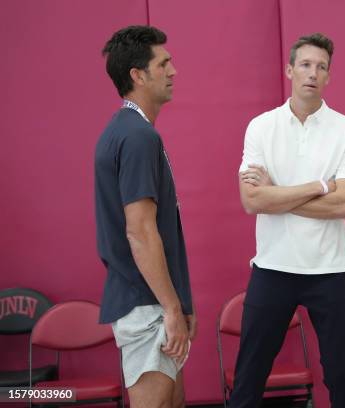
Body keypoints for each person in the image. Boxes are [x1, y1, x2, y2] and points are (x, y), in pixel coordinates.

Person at [233, 33, 345, 408]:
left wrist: (278, 194)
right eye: (305, 65)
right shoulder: (261, 127)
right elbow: (251, 199)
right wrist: (320, 185)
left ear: (329, 77)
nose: (313, 73)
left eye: (321, 67)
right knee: (249, 377)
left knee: (342, 377)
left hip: (331, 269)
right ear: (289, 69)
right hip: (273, 266)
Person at [95, 25, 196, 408]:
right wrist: (172, 307)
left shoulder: (129, 131)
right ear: (138, 75)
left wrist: (181, 303)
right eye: (163, 63)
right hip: (146, 303)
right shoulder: (138, 137)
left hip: (152, 302)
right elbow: (140, 232)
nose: (173, 71)